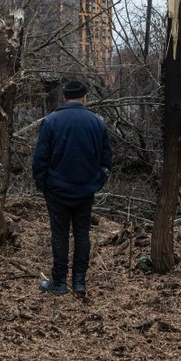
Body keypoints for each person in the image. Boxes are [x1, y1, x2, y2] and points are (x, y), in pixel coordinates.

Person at [32, 80, 113, 296]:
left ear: (65, 98)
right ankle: (79, 283)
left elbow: (40, 159)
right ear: (84, 98)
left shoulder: (51, 121)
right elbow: (107, 160)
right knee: (82, 234)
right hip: (85, 189)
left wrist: (43, 185)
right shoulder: (97, 122)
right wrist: (97, 181)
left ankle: (59, 283)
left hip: (57, 189)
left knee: (59, 236)